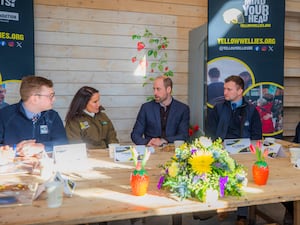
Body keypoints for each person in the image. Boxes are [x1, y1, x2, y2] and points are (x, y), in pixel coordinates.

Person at [205, 75, 262, 225]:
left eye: (229, 89)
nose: (225, 92)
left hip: (244, 153)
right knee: (219, 169)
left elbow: (257, 136)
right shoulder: (218, 108)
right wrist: (216, 146)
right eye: (225, 88)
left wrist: (248, 148)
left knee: (243, 176)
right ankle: (222, 206)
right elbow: (209, 132)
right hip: (221, 151)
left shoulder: (251, 110)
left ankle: (241, 215)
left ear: (240, 91)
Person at [0, 76, 68, 153]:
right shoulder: (4, 115)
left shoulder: (52, 116)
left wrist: (42, 147)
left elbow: (62, 144)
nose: (54, 99)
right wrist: (15, 148)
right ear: (34, 99)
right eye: (50, 96)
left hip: (46, 164)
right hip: (13, 163)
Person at [131, 75, 190, 147]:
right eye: (154, 89)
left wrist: (163, 140)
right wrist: (147, 142)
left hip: (172, 151)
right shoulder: (146, 108)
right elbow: (135, 134)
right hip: (151, 151)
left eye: (158, 89)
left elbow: (183, 135)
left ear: (168, 89)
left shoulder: (182, 109)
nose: (155, 93)